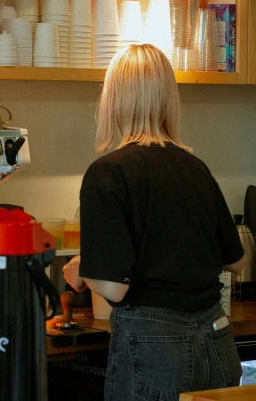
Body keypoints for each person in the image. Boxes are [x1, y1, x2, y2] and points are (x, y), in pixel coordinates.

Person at [63, 43, 245, 400]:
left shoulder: (107, 172)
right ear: (168, 99)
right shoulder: (195, 168)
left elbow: (115, 288)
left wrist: (83, 270)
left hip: (156, 348)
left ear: (112, 98)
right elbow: (236, 260)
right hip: (217, 340)